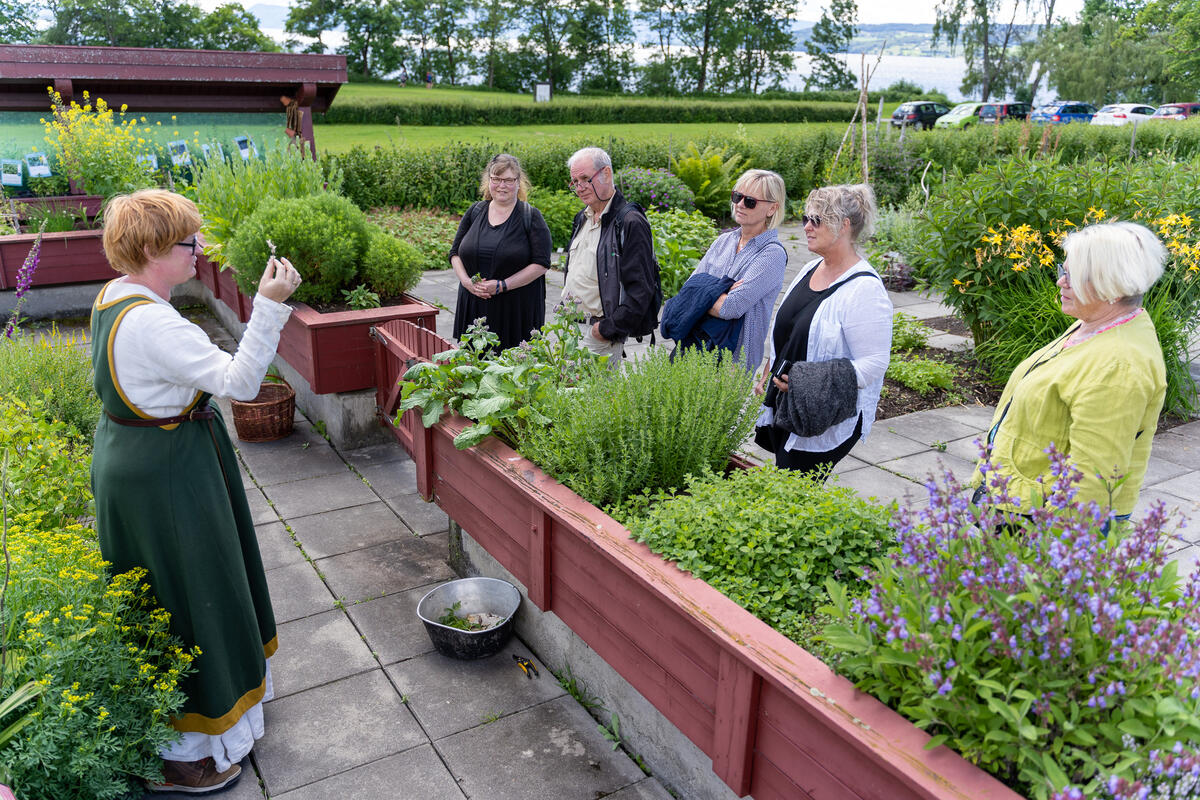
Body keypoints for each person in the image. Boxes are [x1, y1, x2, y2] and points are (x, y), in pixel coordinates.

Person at [92, 189, 301, 794]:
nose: (200, 250)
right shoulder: (152, 321)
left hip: (142, 460)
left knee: (168, 590)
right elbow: (239, 382)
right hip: (166, 477)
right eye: (190, 242)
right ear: (156, 249)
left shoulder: (116, 295)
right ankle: (183, 753)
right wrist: (268, 305)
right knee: (189, 592)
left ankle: (213, 719)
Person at [971, 221, 1167, 521]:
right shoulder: (1094, 326)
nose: (1061, 282)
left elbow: (1091, 479)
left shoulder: (1119, 366)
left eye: (1073, 276)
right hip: (1020, 498)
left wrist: (1050, 548)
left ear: (1112, 287)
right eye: (1064, 271)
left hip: (1044, 522)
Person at [755, 184, 892, 476]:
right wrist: (770, 368)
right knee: (788, 490)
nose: (806, 226)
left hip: (824, 414)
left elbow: (874, 364)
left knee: (794, 492)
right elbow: (790, 330)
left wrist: (807, 382)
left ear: (843, 226)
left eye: (815, 220)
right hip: (789, 404)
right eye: (805, 218)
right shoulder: (811, 269)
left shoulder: (865, 290)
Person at [666, 169, 787, 371]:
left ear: (772, 208)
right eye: (737, 196)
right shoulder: (724, 241)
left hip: (732, 362)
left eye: (750, 201)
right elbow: (686, 291)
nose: (739, 204)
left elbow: (731, 307)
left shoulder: (771, 255)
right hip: (694, 346)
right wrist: (720, 290)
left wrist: (704, 290)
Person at [560, 146, 659, 365]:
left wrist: (606, 329)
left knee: (591, 398)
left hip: (597, 335)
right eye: (574, 182)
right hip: (569, 329)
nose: (580, 187)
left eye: (585, 179)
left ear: (606, 173)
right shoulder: (582, 217)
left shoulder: (630, 222)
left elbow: (641, 289)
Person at [449, 153, 552, 350]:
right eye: (496, 179)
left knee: (511, 370)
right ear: (488, 181)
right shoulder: (475, 212)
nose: (501, 186)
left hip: (514, 312)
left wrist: (502, 285)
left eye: (508, 180)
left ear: (518, 182)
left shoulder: (531, 216)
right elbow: (455, 253)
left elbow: (541, 263)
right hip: (473, 307)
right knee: (473, 369)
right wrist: (466, 282)